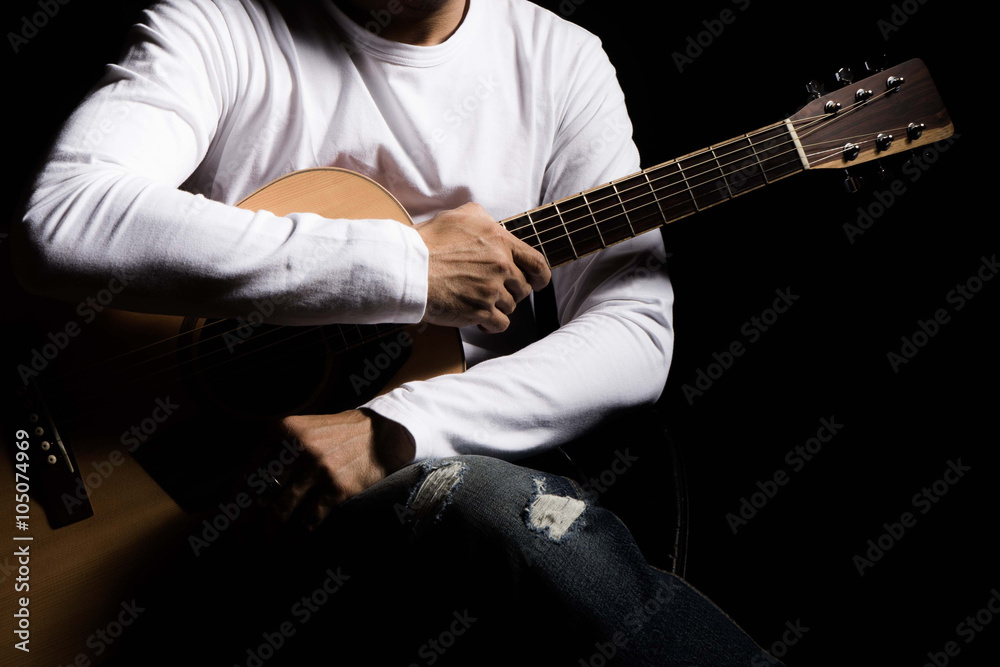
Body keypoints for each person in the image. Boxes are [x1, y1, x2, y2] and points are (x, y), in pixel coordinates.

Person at [13, 0, 783, 664]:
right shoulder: (221, 23)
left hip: (422, 468)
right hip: (146, 476)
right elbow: (64, 217)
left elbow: (635, 330)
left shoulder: (559, 61)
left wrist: (395, 425)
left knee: (497, 513)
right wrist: (408, 267)